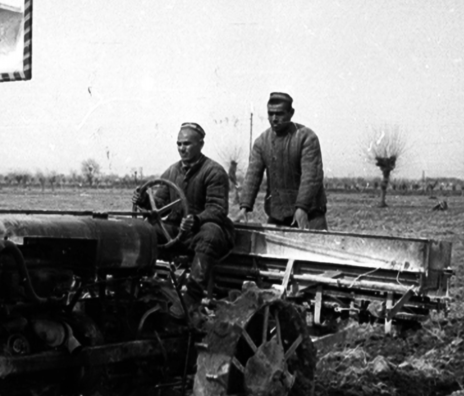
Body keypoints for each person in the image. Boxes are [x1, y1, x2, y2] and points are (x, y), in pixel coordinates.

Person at [132, 122, 234, 296]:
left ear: (201, 144)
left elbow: (217, 208)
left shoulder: (214, 172)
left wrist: (196, 220)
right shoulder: (171, 172)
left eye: (187, 144)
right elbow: (160, 205)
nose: (182, 148)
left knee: (211, 233)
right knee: (145, 231)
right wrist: (144, 202)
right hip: (177, 232)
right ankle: (137, 284)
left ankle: (193, 295)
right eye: (179, 144)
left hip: (201, 231)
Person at [236, 92, 328, 230]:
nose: (274, 119)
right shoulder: (261, 142)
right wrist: (244, 207)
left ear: (291, 113)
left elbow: (311, 176)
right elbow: (252, 176)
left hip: (310, 215)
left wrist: (302, 207)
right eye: (270, 113)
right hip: (277, 216)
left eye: (279, 114)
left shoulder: (306, 137)